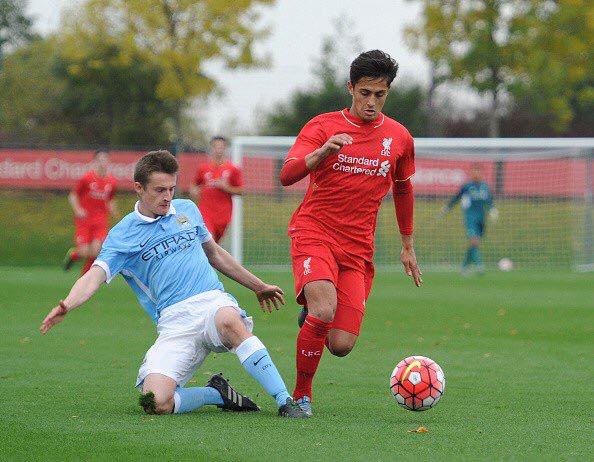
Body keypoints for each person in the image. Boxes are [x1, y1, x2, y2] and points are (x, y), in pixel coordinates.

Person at [41, 150, 306, 418]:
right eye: (159, 190)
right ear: (138, 188)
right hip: (173, 322)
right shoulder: (122, 234)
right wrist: (66, 304)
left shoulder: (188, 210)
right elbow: (93, 277)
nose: (167, 196)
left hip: (210, 302)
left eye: (171, 188)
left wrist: (258, 286)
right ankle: (216, 393)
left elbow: (214, 253)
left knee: (229, 320)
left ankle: (285, 401)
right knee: (154, 402)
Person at [278, 50, 422, 416]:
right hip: (315, 231)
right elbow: (288, 173)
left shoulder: (399, 137)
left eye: (379, 94)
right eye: (364, 93)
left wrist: (407, 245)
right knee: (324, 309)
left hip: (357, 248)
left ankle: (312, 315)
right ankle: (301, 397)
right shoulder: (323, 126)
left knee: (341, 344)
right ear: (350, 89)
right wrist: (321, 153)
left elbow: (403, 188)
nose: (371, 102)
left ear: (387, 91)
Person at [63, 149, 118, 275]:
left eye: (105, 160)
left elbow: (110, 199)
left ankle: (85, 278)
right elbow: (73, 196)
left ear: (108, 162)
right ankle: (74, 255)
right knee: (84, 252)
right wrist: (78, 210)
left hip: (101, 221)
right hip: (85, 220)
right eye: (100, 160)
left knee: (96, 252)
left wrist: (114, 211)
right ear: (94, 162)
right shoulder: (86, 179)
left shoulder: (112, 182)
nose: (102, 162)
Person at [441, 164, 498, 274]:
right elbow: (456, 198)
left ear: (481, 174)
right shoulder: (467, 187)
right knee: (474, 241)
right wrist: (447, 208)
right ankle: (479, 266)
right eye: (474, 172)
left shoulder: (485, 187)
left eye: (478, 172)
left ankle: (464, 268)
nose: (476, 174)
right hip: (470, 218)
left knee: (474, 244)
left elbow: (489, 201)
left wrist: (493, 210)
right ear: (471, 174)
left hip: (481, 219)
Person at [189, 136, 242, 243]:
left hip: (223, 215)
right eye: (216, 147)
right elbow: (194, 184)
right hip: (206, 212)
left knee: (214, 246)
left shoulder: (233, 169)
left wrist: (226, 188)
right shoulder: (203, 168)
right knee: (208, 241)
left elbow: (241, 190)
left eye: (221, 147)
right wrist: (193, 191)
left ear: (225, 149)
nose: (218, 150)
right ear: (211, 149)